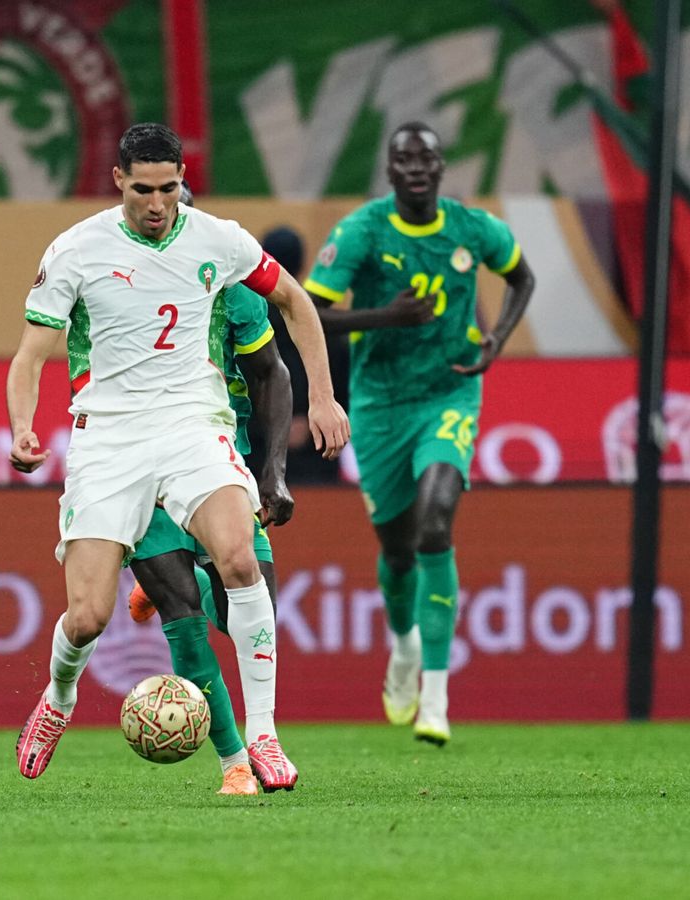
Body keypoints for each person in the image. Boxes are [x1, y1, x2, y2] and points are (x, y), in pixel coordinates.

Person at [6, 122, 349, 784]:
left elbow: (296, 304)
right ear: (119, 182)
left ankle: (264, 739)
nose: (159, 203)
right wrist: (24, 425)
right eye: (144, 190)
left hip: (194, 424)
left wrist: (325, 399)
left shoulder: (218, 239)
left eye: (170, 188)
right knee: (87, 616)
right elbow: (29, 355)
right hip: (109, 437)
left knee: (241, 561)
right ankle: (59, 698)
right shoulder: (77, 250)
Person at [304, 122, 535, 746]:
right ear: (389, 171)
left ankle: (436, 698)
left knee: (437, 521)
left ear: (440, 168)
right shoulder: (363, 231)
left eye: (424, 158)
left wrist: (496, 339)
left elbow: (522, 277)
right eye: (402, 159)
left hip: (449, 392)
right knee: (399, 550)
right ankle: (403, 646)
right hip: (380, 406)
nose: (413, 169)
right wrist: (387, 316)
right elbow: (307, 311)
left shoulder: (471, 229)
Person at [119, 182, 298, 794]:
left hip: (224, 459)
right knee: (185, 618)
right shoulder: (121, 292)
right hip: (146, 459)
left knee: (247, 606)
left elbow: (272, 375)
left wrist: (272, 472)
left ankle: (188, 579)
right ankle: (237, 765)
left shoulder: (233, 291)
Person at [256, 226, 349, 485]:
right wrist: (305, 420)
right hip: (319, 450)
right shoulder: (321, 323)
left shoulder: (247, 317)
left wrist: (272, 425)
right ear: (305, 263)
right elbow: (344, 386)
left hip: (257, 454)